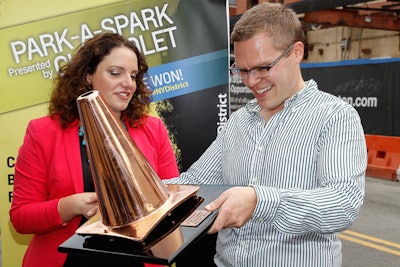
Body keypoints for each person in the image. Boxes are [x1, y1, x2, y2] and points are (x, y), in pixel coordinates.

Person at [166, 3, 367, 267]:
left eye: (262, 68)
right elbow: (194, 182)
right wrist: (136, 195)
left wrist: (260, 201)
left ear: (296, 52)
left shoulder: (335, 116)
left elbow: (343, 203)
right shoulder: (239, 121)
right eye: (243, 70)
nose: (250, 81)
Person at [9, 33, 179, 267]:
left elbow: (173, 204)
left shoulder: (154, 129)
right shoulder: (43, 132)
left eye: (133, 75)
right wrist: (70, 206)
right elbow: (21, 217)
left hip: (137, 260)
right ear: (88, 76)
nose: (128, 83)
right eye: (116, 73)